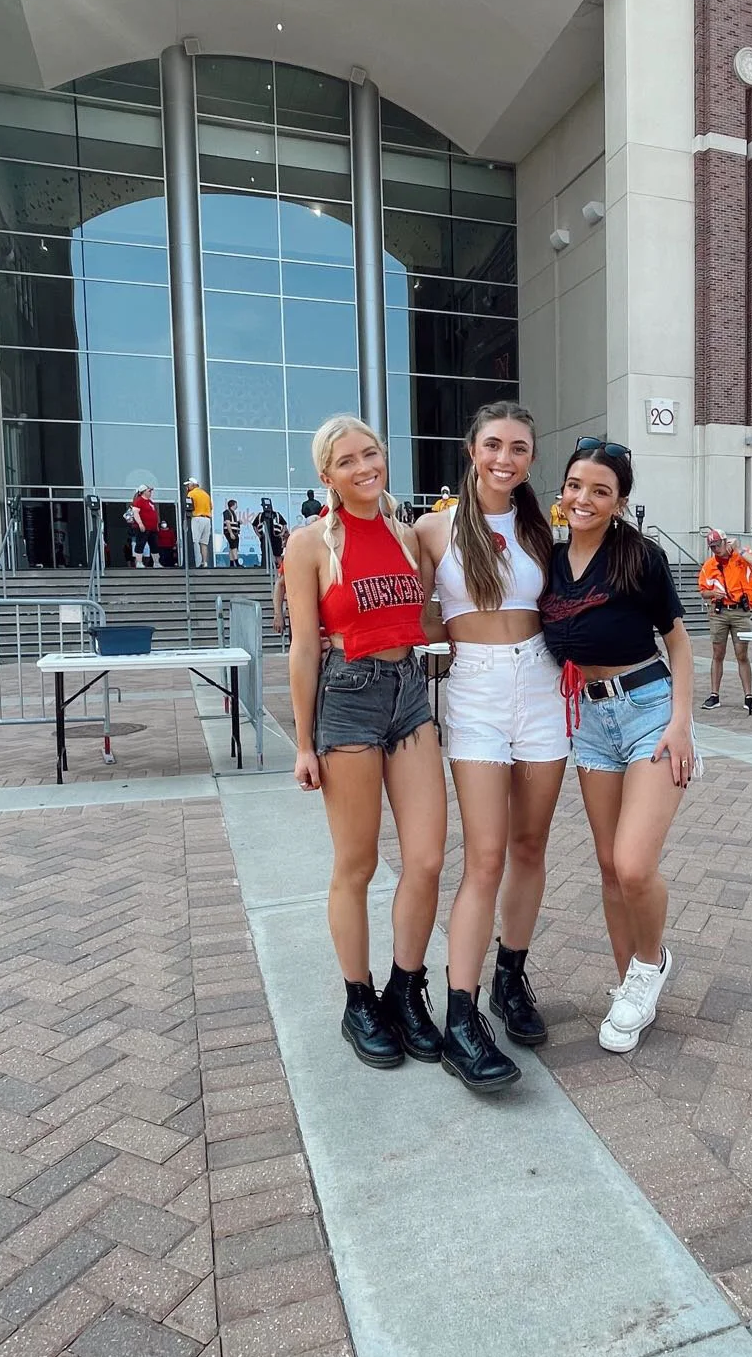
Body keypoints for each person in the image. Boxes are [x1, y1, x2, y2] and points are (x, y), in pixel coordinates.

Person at [285, 416, 447, 1071]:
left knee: (427, 859)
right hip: (347, 698)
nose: (363, 467)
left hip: (409, 694)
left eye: (371, 453)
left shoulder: (408, 536)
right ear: (326, 475)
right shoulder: (308, 545)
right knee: (357, 864)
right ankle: (359, 1000)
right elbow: (302, 648)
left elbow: (429, 616)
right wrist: (303, 743)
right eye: (347, 460)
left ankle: (405, 990)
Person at [416, 401, 564, 1093]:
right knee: (483, 857)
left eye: (519, 448)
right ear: (472, 449)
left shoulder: (543, 530)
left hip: (541, 686)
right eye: (494, 445)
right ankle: (461, 1016)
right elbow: (406, 608)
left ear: (531, 459)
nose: (505, 458)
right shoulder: (433, 529)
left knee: (529, 847)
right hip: (474, 690)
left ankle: (510, 976)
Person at [539, 439, 696, 1055]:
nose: (585, 498)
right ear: (563, 491)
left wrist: (680, 723)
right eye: (576, 485)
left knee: (633, 864)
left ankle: (650, 963)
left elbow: (678, 640)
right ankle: (629, 982)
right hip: (589, 719)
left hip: (649, 712)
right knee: (608, 865)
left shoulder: (640, 557)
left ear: (619, 502)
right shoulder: (549, 560)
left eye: (601, 491)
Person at [698, 531, 752, 711]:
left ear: (726, 542)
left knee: (742, 654)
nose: (716, 549)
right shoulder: (710, 565)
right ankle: (714, 695)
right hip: (719, 612)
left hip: (740, 611)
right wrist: (713, 593)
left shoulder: (741, 556)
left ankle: (748, 696)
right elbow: (703, 591)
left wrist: (739, 550)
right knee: (717, 653)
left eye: (718, 545)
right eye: (712, 547)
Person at [127, 484, 160, 567]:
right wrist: (140, 524)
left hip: (152, 528)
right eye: (149, 491)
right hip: (143, 527)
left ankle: (156, 563)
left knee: (154, 545)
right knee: (140, 544)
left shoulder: (150, 502)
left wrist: (156, 525)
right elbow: (135, 513)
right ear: (143, 492)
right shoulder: (139, 501)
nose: (150, 492)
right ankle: (139, 562)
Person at [186, 479, 213, 566]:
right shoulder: (206, 494)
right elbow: (211, 507)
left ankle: (197, 562)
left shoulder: (191, 493)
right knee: (204, 543)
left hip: (197, 518)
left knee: (195, 541)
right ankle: (204, 562)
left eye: (188, 485)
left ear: (193, 485)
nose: (187, 487)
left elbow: (189, 506)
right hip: (207, 519)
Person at [222, 498, 242, 567]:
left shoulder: (233, 513)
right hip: (230, 532)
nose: (237, 506)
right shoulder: (227, 512)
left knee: (231, 547)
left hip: (234, 532)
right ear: (233, 505)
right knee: (234, 547)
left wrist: (238, 522)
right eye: (236, 504)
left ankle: (231, 563)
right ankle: (237, 563)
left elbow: (232, 522)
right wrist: (231, 533)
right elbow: (227, 523)